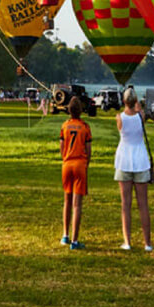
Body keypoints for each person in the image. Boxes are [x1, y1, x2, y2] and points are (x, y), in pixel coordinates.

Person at [115, 89, 153, 251]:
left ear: (124, 101)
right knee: (143, 204)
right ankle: (147, 243)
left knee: (126, 204)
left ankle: (127, 241)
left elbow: (124, 117)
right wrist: (138, 107)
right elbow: (140, 113)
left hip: (124, 160)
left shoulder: (119, 118)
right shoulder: (141, 116)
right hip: (140, 160)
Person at [59, 98, 92, 250]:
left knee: (67, 200)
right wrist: (87, 163)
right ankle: (75, 240)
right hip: (79, 164)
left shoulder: (64, 126)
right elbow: (88, 149)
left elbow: (61, 146)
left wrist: (65, 158)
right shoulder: (85, 127)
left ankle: (65, 235)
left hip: (67, 164)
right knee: (77, 204)